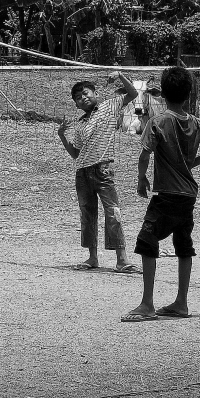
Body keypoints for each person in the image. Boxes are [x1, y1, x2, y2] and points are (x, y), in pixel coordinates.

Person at [121, 65, 200, 322]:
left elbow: (145, 153)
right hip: (188, 194)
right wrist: (193, 163)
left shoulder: (158, 121)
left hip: (166, 193)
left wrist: (141, 178)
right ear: (188, 95)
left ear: (163, 94)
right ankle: (181, 302)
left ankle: (147, 304)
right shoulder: (195, 123)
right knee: (183, 245)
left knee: (147, 240)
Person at [57, 71, 140, 273]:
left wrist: (120, 74)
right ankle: (92, 258)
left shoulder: (109, 107)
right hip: (83, 173)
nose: (83, 99)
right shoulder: (80, 124)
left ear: (95, 93)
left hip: (103, 169)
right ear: (76, 105)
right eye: (78, 98)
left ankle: (122, 260)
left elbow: (133, 93)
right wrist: (62, 135)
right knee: (87, 214)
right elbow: (76, 154)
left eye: (85, 93)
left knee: (113, 213)